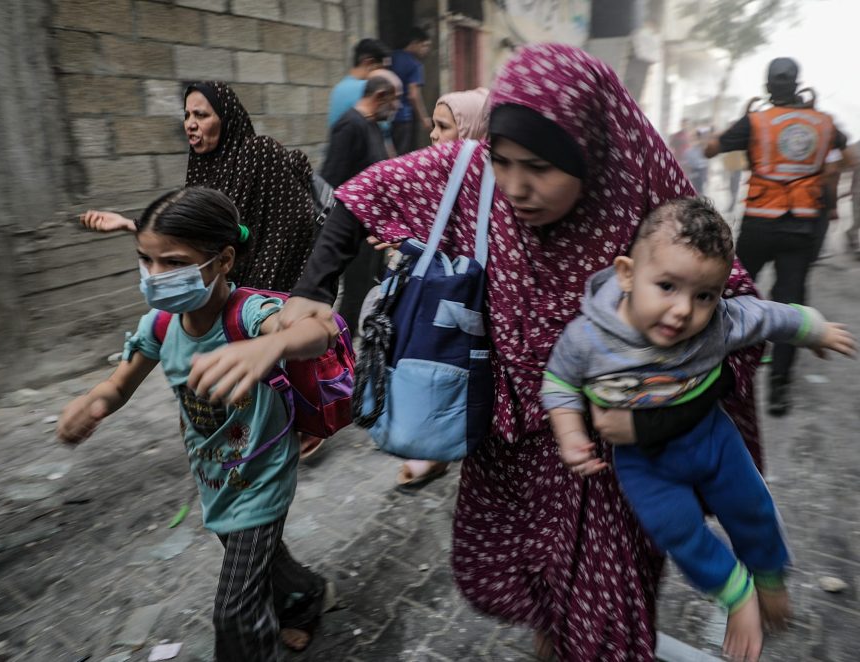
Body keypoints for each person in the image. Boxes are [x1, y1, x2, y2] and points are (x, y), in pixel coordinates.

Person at [280, 44, 765, 660]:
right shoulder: (470, 172)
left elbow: (739, 323)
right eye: (503, 161)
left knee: (605, 619)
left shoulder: (652, 207)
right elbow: (363, 193)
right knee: (540, 594)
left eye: (538, 166)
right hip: (509, 445)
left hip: (611, 466)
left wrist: (655, 413)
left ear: (589, 147)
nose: (515, 187)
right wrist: (312, 289)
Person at [542, 198, 855, 662]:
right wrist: (569, 434)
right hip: (644, 465)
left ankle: (769, 574)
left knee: (752, 508)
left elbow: (769, 315)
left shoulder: (720, 323)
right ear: (627, 274)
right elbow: (559, 382)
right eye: (666, 286)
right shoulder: (587, 337)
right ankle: (736, 592)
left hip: (714, 441)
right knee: (678, 532)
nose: (682, 311)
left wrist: (815, 329)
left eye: (704, 295)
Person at [58, 188, 340, 660]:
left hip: (260, 476)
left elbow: (319, 331)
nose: (154, 276)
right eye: (145, 261)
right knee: (260, 559)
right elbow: (119, 384)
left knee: (235, 608)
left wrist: (268, 346)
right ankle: (307, 596)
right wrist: (92, 402)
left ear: (224, 259)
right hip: (213, 475)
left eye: (172, 262)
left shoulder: (248, 315)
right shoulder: (161, 325)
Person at [705, 57, 849, 416]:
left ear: (769, 86)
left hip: (760, 223)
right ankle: (779, 389)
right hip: (801, 225)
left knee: (733, 293)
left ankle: (718, 371)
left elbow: (711, 149)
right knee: (791, 304)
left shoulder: (757, 120)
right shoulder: (824, 121)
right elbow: (847, 156)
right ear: (798, 83)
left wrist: (741, 117)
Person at [80, 82, 317, 293]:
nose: (190, 125)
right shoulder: (201, 168)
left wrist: (261, 294)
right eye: (187, 115)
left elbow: (296, 223)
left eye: (201, 115)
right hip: (223, 297)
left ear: (226, 120)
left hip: (271, 296)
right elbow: (195, 226)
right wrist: (126, 224)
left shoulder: (259, 151)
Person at [394, 86, 490, 491]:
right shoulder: (441, 178)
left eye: (443, 127)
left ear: (473, 131)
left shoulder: (496, 185)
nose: (433, 135)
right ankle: (438, 448)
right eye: (433, 126)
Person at [321, 74, 397, 333]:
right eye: (394, 100)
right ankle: (340, 353)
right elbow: (330, 180)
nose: (396, 108)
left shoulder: (372, 125)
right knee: (354, 295)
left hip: (371, 230)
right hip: (354, 229)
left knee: (367, 290)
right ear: (379, 97)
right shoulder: (349, 126)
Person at [327, 38, 391, 127]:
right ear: (369, 63)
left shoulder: (338, 88)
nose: (383, 75)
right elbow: (384, 128)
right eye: (381, 69)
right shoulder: (366, 88)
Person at [389, 27, 433, 155]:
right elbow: (413, 95)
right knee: (400, 156)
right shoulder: (415, 65)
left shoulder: (391, 56)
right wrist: (424, 118)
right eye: (424, 45)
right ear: (414, 43)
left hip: (386, 117)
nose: (427, 50)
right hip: (403, 117)